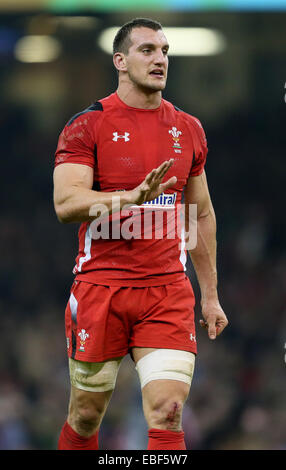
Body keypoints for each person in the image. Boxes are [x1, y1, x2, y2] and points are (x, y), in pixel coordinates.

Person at [53, 17, 228, 451]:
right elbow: (65, 205)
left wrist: (209, 294)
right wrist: (127, 198)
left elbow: (200, 214)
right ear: (120, 60)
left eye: (165, 51)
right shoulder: (86, 125)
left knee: (168, 412)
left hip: (166, 291)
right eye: (147, 50)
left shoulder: (187, 129)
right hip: (100, 289)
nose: (159, 59)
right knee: (86, 416)